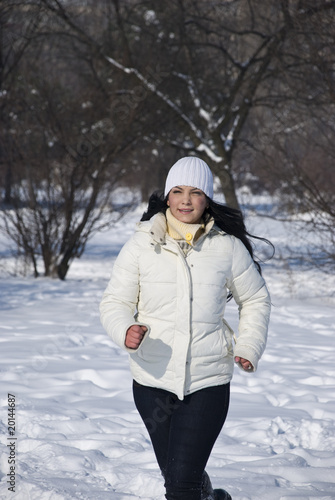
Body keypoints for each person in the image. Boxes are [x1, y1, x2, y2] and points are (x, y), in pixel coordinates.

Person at [99, 156, 271, 500]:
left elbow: (255, 299)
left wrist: (248, 346)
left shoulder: (227, 247)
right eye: (177, 191)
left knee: (180, 487)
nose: (185, 200)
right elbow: (114, 302)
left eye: (195, 192)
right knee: (181, 478)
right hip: (152, 380)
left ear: (207, 199)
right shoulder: (141, 245)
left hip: (207, 382)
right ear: (166, 196)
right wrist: (125, 330)